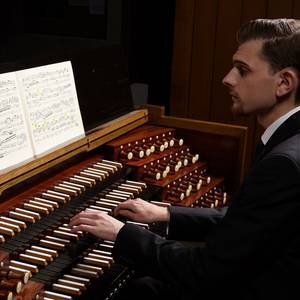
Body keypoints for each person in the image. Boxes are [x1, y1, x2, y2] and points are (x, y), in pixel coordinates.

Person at [69, 18, 300, 299]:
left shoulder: (284, 164)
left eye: (242, 70)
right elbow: (248, 221)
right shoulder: (289, 142)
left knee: (135, 291)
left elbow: (205, 272)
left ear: (284, 82)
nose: (227, 78)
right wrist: (167, 213)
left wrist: (122, 234)